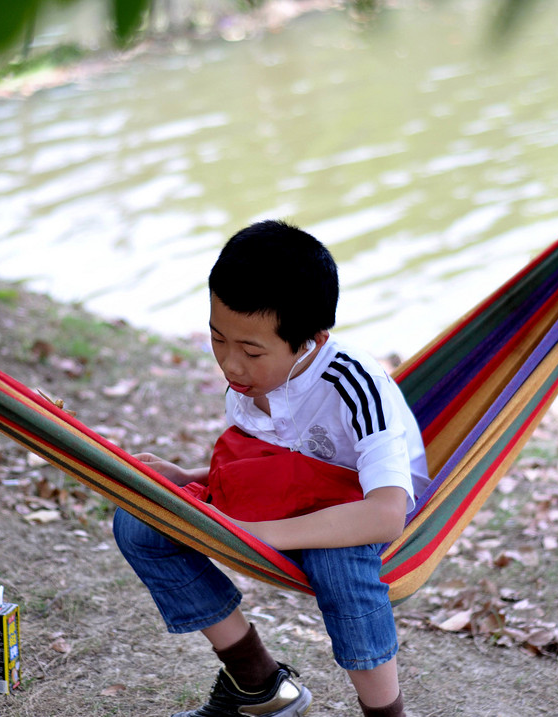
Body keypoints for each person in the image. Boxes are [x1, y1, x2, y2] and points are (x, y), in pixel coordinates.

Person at [113, 220, 430, 717]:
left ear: (312, 340)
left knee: (339, 568)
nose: (231, 365)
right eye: (219, 340)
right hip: (284, 500)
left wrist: (255, 534)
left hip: (356, 507)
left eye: (251, 351)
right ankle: (258, 686)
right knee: (141, 522)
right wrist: (191, 478)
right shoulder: (251, 383)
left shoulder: (354, 383)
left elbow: (386, 514)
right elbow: (267, 461)